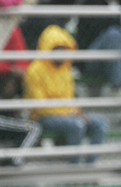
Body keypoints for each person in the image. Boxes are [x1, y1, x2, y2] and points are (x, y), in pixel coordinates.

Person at [24, 26, 110, 163]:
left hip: (67, 114)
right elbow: (40, 107)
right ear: (48, 48)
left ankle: (90, 164)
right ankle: (74, 165)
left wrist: (77, 112)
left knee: (100, 124)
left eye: (64, 49)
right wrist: (70, 113)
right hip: (43, 117)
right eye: (57, 49)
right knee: (77, 125)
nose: (61, 53)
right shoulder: (34, 70)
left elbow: (70, 98)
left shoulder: (65, 69)